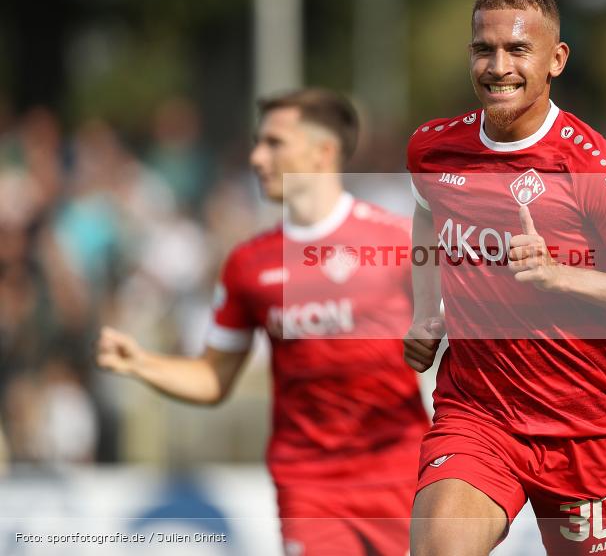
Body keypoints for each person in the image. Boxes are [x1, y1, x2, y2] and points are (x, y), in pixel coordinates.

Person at [403, 0, 606, 556]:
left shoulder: (600, 168)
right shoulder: (434, 149)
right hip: (478, 415)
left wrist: (562, 274)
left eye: (517, 50)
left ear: (556, 60)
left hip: (583, 430)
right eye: (484, 50)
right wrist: (424, 311)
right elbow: (427, 214)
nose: (498, 66)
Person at [98, 88, 430, 556]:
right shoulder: (249, 264)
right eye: (257, 143)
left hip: (400, 474)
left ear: (323, 152)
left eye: (274, 143)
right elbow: (214, 379)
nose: (256, 157)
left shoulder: (396, 243)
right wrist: (142, 363)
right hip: (309, 485)